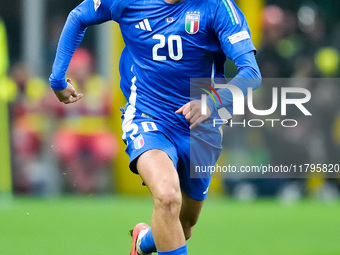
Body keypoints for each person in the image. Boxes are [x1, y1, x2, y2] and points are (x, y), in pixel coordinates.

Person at [49, 0, 261, 254]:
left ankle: (143, 241)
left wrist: (213, 102)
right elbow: (78, 16)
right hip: (147, 117)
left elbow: (251, 73)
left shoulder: (217, 7)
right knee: (168, 197)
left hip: (201, 126)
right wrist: (57, 78)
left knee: (184, 225)